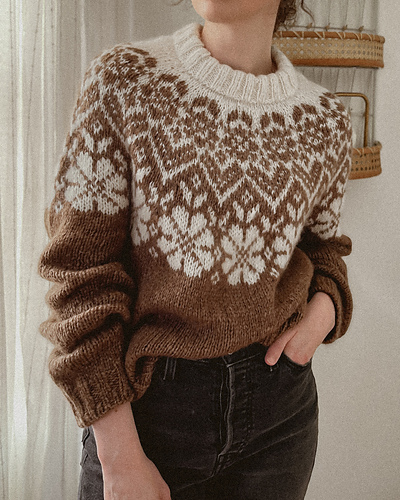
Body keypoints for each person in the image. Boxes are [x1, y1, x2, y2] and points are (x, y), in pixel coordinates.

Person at [38, 0, 354, 498]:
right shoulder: (125, 80)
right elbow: (78, 274)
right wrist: (118, 454)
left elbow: (325, 250)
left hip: (280, 418)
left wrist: (324, 311)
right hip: (146, 414)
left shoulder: (326, 121)